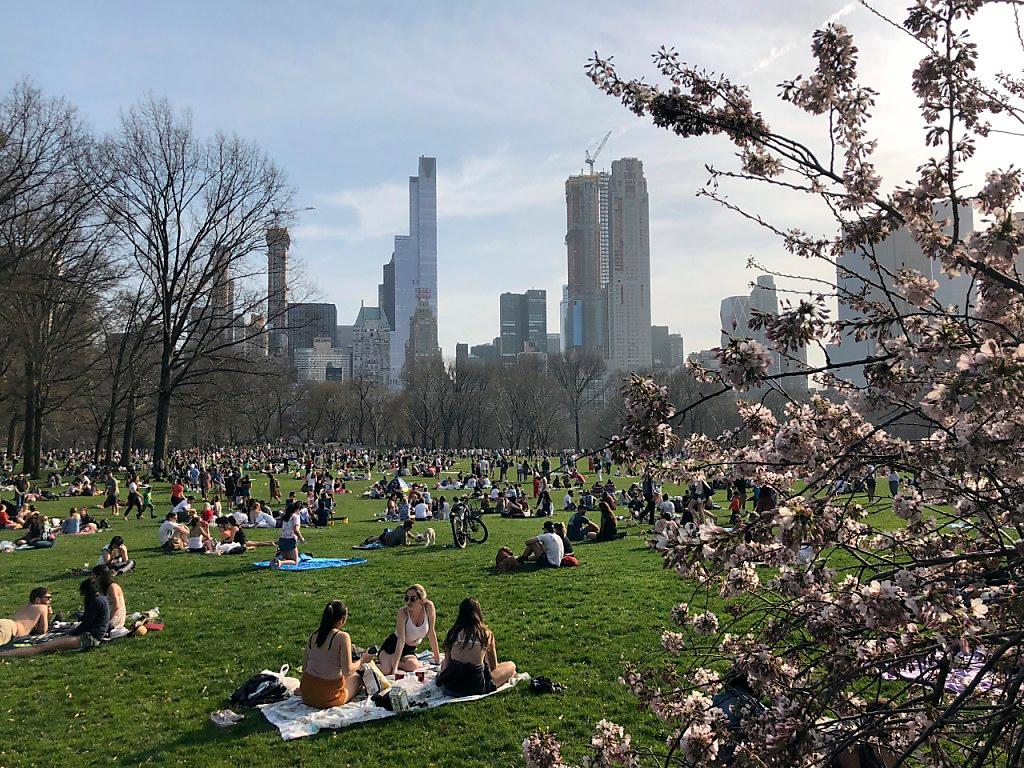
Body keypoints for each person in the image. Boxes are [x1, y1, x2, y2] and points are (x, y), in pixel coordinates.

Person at [0, 578, 109, 657]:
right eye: (47, 598)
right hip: (10, 629)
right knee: (40, 646)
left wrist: (71, 632)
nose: (50, 600)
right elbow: (42, 631)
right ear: (38, 599)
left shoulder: (24, 606)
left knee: (43, 646)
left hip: (5, 622)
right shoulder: (42, 607)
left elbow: (86, 622)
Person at [299, 601, 373, 709]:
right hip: (328, 697)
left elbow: (304, 669)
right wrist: (363, 660)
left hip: (306, 694)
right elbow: (347, 671)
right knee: (357, 678)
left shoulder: (313, 636)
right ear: (342, 620)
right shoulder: (342, 637)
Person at [436, 597, 516, 695]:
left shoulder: (453, 633)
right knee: (511, 665)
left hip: (451, 687)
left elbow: (447, 664)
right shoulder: (485, 634)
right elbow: (493, 666)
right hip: (476, 687)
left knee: (444, 662)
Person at [377, 584, 440, 675]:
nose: (409, 602)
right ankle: (366, 665)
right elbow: (401, 640)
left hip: (409, 650)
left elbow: (431, 633)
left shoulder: (428, 607)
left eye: (413, 599)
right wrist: (394, 670)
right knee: (386, 670)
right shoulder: (403, 613)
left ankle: (392, 662)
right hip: (392, 646)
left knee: (413, 666)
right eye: (406, 598)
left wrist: (437, 659)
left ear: (422, 601)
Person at [92, 564, 126, 635]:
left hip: (114, 618)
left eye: (94, 575)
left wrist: (106, 620)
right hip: (107, 615)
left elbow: (116, 607)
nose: (93, 578)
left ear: (99, 576)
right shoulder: (102, 588)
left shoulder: (113, 587)